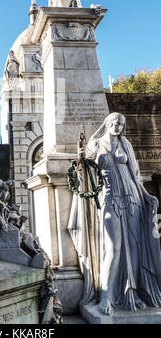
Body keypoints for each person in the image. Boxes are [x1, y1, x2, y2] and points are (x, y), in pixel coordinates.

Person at [69, 112, 161, 314]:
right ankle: (105, 296)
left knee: (135, 248)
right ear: (107, 123)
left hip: (132, 199)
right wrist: (81, 155)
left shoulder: (125, 144)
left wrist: (146, 196)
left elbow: (135, 175)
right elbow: (84, 170)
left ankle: (132, 293)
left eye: (122, 123)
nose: (119, 126)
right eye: (115, 123)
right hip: (110, 198)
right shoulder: (96, 144)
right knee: (113, 248)